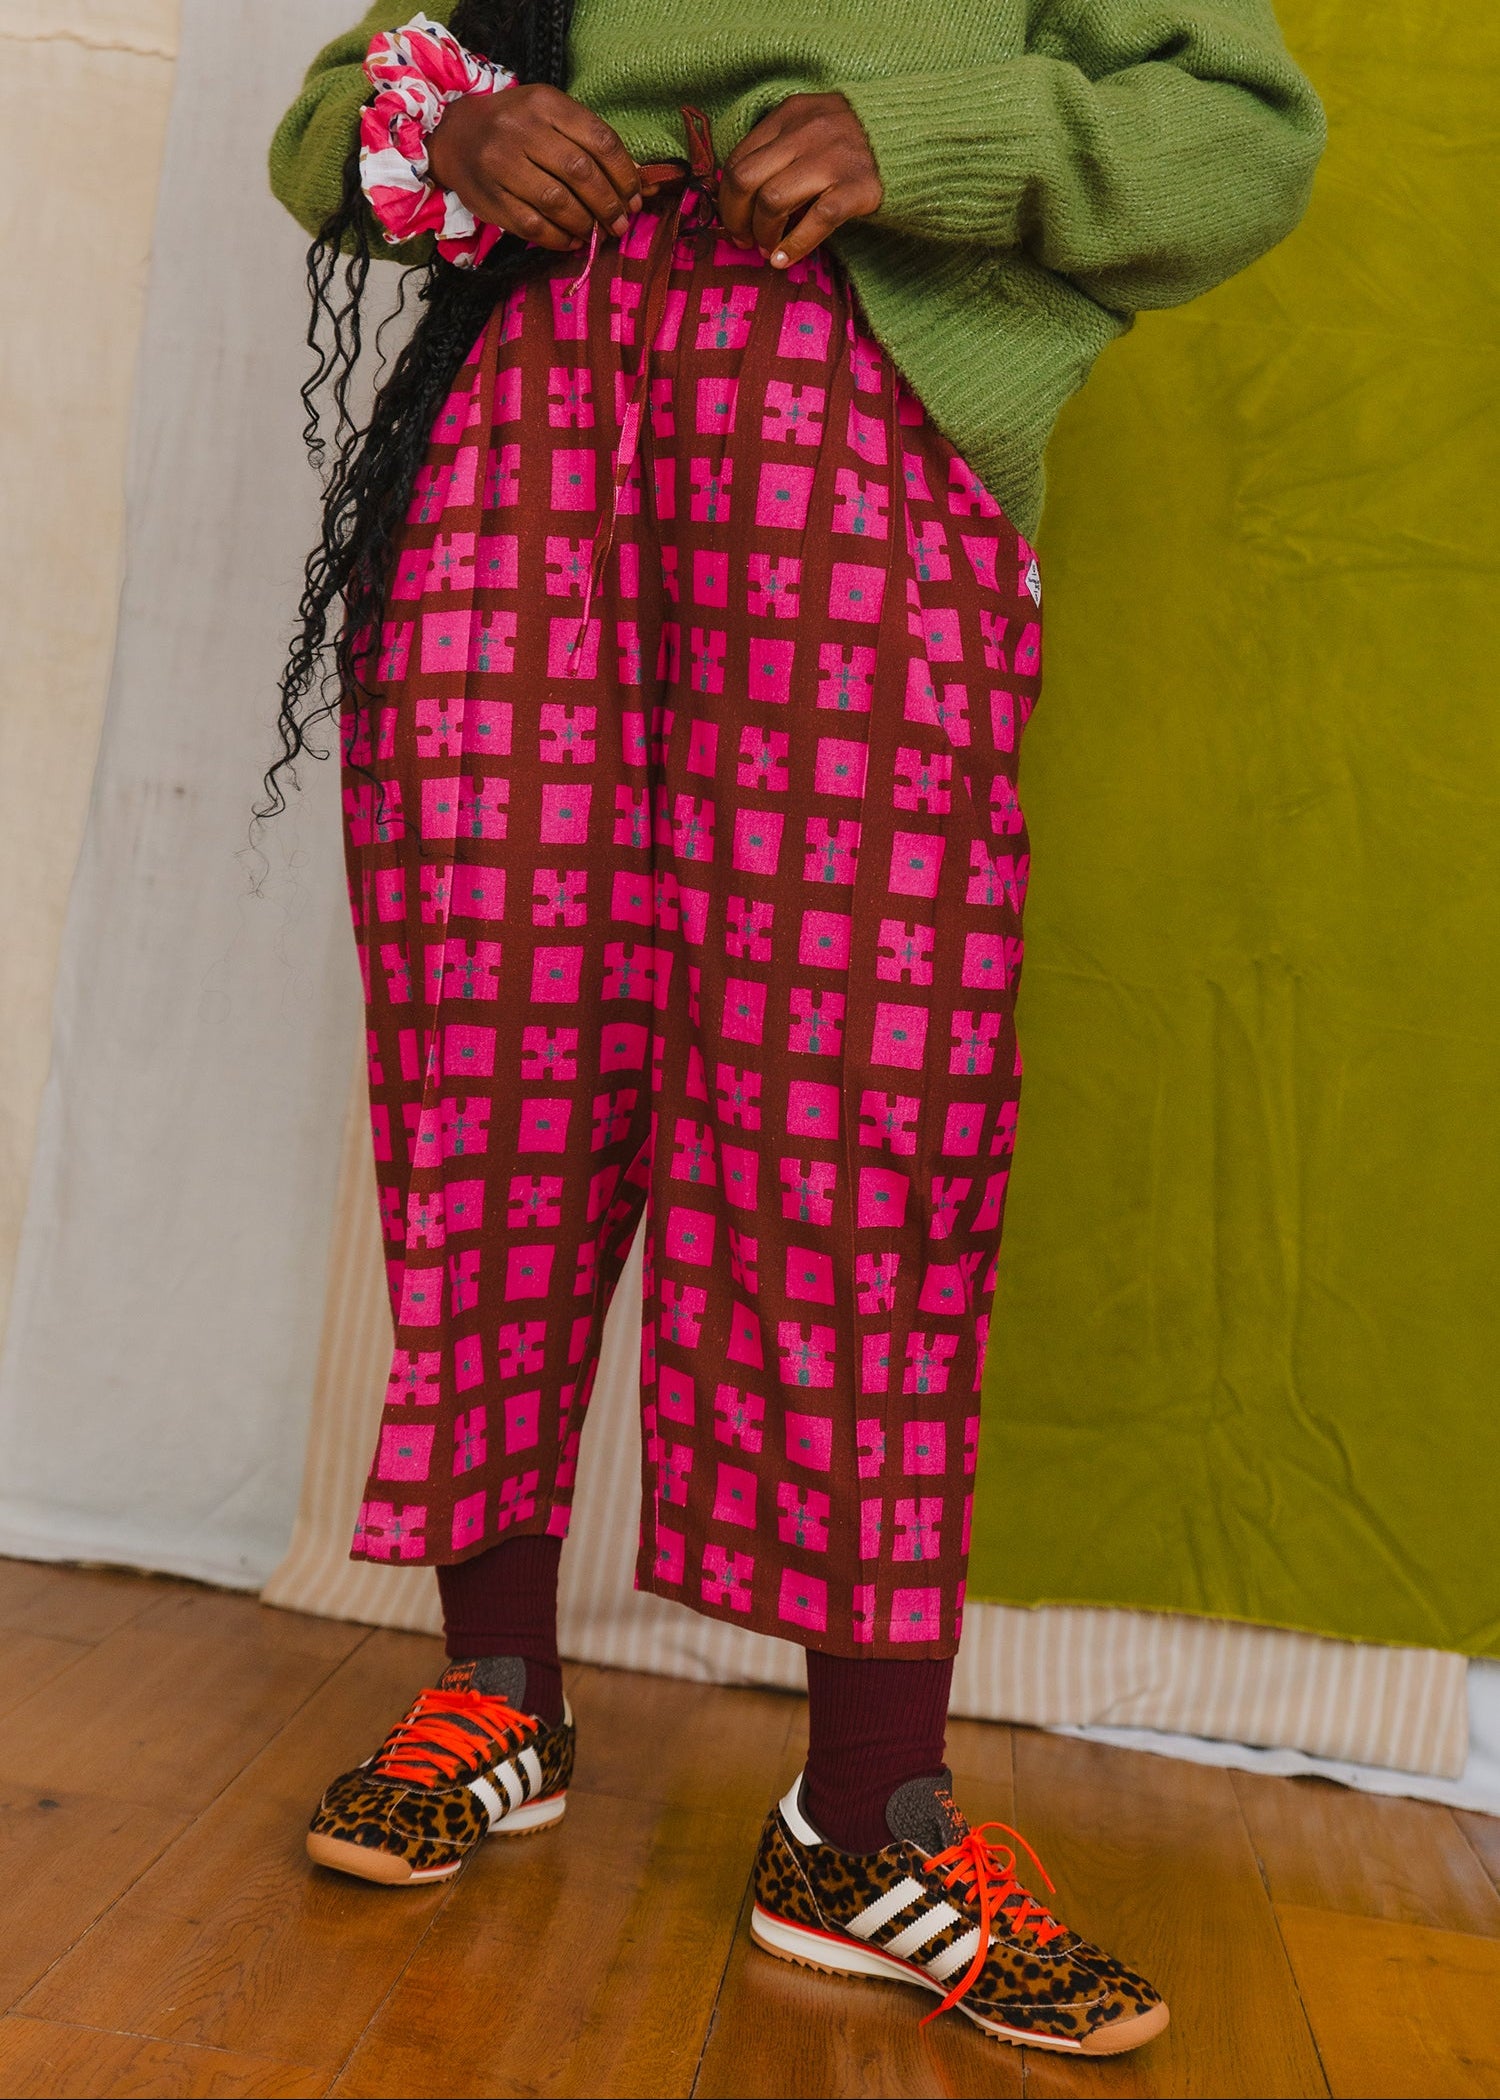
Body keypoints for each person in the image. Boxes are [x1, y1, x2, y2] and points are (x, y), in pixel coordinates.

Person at [267, 0, 1322, 2051]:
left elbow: (1244, 135)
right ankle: (497, 1691)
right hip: (525, 421)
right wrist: (464, 140)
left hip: (854, 430)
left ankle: (867, 1814)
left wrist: (929, 138)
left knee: (857, 1093)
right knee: (498, 1034)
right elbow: (334, 113)